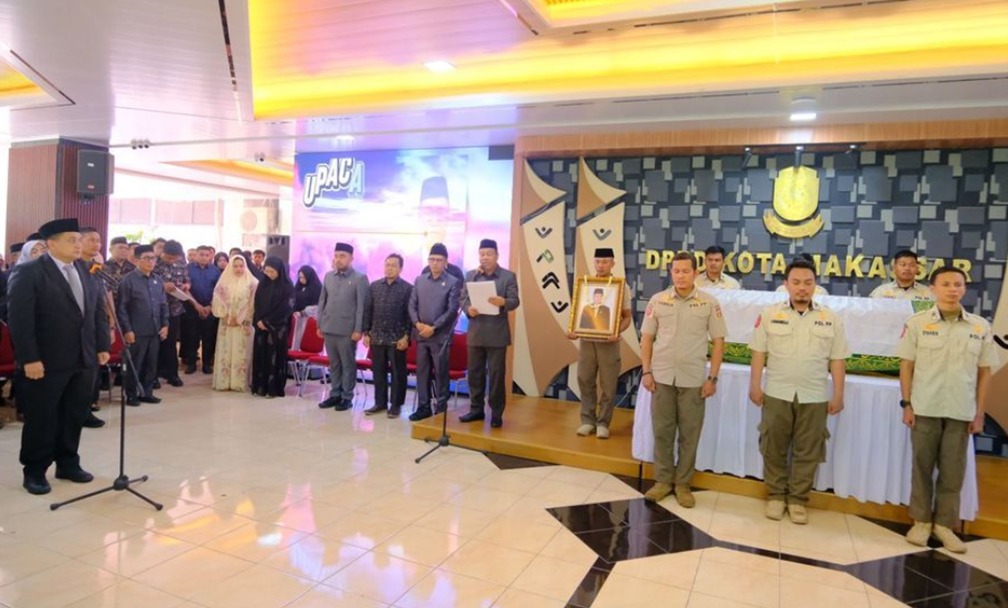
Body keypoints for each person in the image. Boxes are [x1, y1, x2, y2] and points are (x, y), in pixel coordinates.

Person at [897, 266, 999, 553]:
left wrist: (979, 412)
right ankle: (920, 521)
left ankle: (944, 525)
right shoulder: (917, 323)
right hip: (924, 407)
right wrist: (907, 404)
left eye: (958, 284)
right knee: (921, 467)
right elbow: (906, 366)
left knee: (953, 471)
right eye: (946, 284)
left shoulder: (979, 327)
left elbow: (985, 373)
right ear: (933, 288)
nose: (953, 289)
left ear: (964, 289)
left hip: (960, 410)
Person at [8, 218, 110, 494]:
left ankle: (67, 463)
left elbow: (96, 312)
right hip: (46, 360)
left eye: (79, 240)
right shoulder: (30, 272)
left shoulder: (87, 269)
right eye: (71, 240)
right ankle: (35, 470)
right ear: (51, 244)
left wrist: (102, 345)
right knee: (42, 417)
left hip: (83, 357)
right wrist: (29, 358)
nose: (78, 245)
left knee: (74, 413)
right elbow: (20, 320)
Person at [748, 257, 849, 524]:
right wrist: (754, 385)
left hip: (814, 394)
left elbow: (838, 359)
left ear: (816, 285)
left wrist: (838, 394)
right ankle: (776, 496)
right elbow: (758, 353)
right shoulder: (770, 314)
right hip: (777, 391)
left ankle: (797, 500)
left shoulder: (831, 318)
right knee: (773, 445)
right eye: (796, 282)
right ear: (786, 284)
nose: (802, 287)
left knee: (808, 449)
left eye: (808, 282)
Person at [640, 252, 726, 507]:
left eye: (686, 271)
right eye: (676, 271)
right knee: (663, 431)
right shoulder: (658, 300)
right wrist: (646, 371)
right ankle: (663, 481)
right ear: (671, 273)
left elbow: (719, 342)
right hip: (662, 376)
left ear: (695, 273)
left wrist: (712, 378)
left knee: (690, 433)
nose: (680, 276)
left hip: (693, 380)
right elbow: (647, 338)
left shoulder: (709, 303)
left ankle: (683, 484)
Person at [568, 248, 633, 439]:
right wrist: (572, 331)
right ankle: (587, 421)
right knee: (584, 379)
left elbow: (627, 317)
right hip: (587, 342)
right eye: (598, 261)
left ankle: (603, 422)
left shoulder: (621, 287)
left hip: (608, 344)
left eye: (605, 262)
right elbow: (577, 317)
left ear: (613, 263)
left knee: (608, 384)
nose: (601, 265)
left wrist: (617, 331)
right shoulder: (585, 285)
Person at [458, 239, 520, 427]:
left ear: (497, 255)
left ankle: (496, 413)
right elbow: (463, 298)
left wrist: (504, 302)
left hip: (497, 334)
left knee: (496, 376)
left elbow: (515, 300)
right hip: (476, 333)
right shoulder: (471, 275)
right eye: (482, 254)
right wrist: (468, 309)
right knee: (474, 374)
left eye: (489, 254)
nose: (485, 258)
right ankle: (476, 409)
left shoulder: (508, 276)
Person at [409, 243, 460, 421]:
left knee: (441, 373)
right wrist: (417, 324)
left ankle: (440, 408)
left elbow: (452, 310)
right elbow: (412, 305)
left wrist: (434, 327)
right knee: (422, 373)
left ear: (446, 262)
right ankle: (423, 407)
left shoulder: (453, 282)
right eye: (432, 259)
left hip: (440, 337)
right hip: (421, 335)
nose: (435, 263)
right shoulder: (420, 280)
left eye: (439, 260)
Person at [317, 242, 369, 411]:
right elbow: (322, 301)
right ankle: (335, 394)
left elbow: (362, 306)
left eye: (343, 256)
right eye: (336, 256)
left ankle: (346, 397)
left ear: (351, 258)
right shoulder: (328, 276)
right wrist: (319, 324)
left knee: (347, 364)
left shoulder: (360, 278)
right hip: (329, 327)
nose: (338, 259)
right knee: (334, 364)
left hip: (347, 330)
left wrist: (358, 329)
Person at [116, 245, 168, 406]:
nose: (151, 262)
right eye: (147, 258)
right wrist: (127, 329)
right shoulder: (128, 280)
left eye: (153, 258)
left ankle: (147, 392)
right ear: (137, 260)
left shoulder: (157, 280)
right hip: (136, 330)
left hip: (155, 329)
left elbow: (163, 304)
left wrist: (165, 324)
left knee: (151, 363)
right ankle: (131, 394)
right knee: (135, 364)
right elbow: (122, 308)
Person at [363, 254, 412, 418]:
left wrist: (407, 336)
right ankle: (380, 402)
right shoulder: (375, 286)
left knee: (398, 373)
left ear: (400, 268)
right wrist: (366, 332)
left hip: (397, 337)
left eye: (393, 265)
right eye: (387, 265)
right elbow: (368, 310)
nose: (389, 268)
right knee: (378, 371)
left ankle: (396, 405)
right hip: (377, 336)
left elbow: (410, 315)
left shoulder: (407, 288)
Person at [212, 255, 258, 391]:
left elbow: (252, 303)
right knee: (226, 349)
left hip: (243, 324)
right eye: (235, 266)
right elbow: (217, 300)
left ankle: (239, 382)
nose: (239, 269)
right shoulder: (223, 282)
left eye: (241, 266)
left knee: (241, 351)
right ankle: (224, 381)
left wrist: (240, 319)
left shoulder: (252, 283)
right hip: (226, 323)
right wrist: (226, 316)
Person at [251, 257, 294, 398]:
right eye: (267, 271)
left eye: (272, 272)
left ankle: (273, 388)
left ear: (279, 271)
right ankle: (260, 387)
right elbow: (257, 303)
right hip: (261, 327)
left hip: (277, 328)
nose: (269, 274)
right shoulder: (263, 284)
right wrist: (259, 320)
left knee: (274, 357)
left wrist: (267, 321)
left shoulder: (287, 287)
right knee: (261, 356)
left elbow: (286, 308)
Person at [153, 240, 190, 387]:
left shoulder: (181, 264)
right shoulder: (153, 263)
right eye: (169, 257)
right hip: (156, 310)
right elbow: (146, 283)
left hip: (174, 309)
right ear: (162, 252)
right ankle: (153, 376)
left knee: (171, 343)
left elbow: (187, 279)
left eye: (174, 258)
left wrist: (186, 285)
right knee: (155, 343)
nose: (171, 261)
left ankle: (172, 374)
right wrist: (162, 286)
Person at [182, 245, 220, 374]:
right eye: (201, 254)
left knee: (209, 338)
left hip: (210, 309)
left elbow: (219, 290)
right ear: (196, 255)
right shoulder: (187, 269)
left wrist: (209, 306)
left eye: (206, 255)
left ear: (210, 256)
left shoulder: (215, 270)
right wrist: (196, 305)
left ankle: (207, 364)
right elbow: (185, 289)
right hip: (192, 308)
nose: (204, 257)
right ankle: (191, 364)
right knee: (192, 337)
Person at [870, 250, 935, 301]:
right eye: (903, 264)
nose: (907, 268)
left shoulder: (928, 293)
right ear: (894, 268)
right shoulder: (880, 292)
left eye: (912, 265)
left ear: (917, 269)